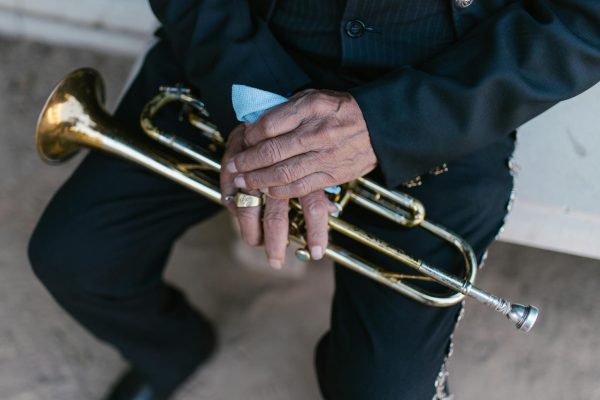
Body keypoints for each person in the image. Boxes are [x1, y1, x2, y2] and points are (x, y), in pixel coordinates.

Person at [28, 1, 600, 399]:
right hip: (235, 48)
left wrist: (389, 124)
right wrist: (257, 110)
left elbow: (585, 19)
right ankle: (172, 350)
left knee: (384, 392)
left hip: (446, 94)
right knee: (73, 256)